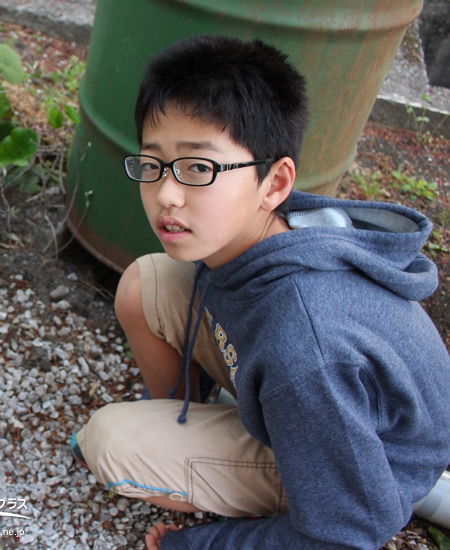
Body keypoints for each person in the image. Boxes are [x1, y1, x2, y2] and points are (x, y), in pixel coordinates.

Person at [72, 35, 450, 549]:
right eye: (153, 163)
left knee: (112, 442)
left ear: (274, 183)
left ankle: (223, 465)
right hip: (332, 410)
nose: (166, 193)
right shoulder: (274, 229)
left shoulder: (306, 348)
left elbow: (348, 533)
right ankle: (182, 424)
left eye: (198, 168)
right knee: (146, 283)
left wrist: (197, 545)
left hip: (368, 472)